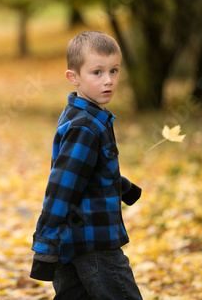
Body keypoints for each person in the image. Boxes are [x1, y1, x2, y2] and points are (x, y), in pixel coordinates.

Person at [30, 31, 143, 299]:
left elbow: (88, 170)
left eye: (114, 71)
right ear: (74, 77)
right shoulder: (86, 126)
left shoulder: (81, 115)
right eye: (97, 73)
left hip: (76, 243)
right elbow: (62, 187)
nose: (109, 81)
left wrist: (123, 188)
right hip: (95, 247)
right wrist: (45, 244)